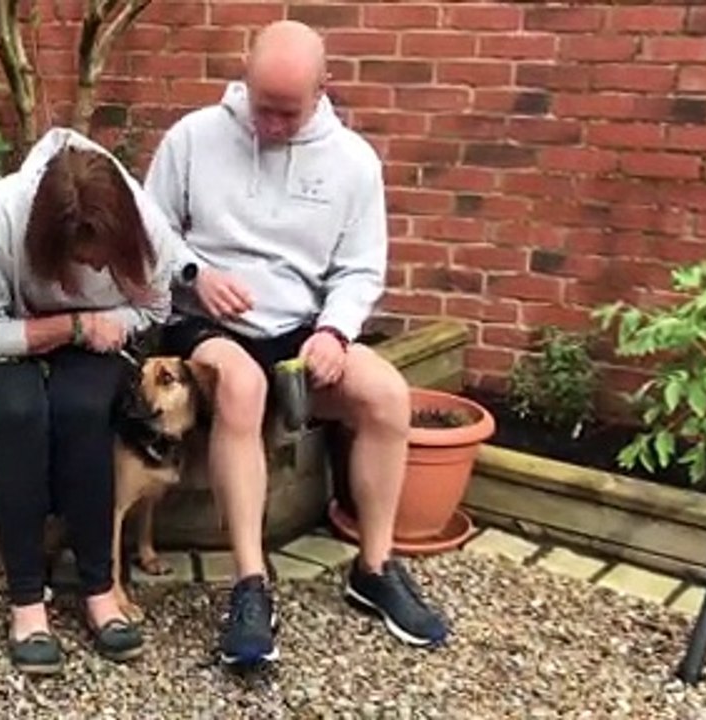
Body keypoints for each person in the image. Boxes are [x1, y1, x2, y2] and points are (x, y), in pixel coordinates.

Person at [144, 20, 450, 666]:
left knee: (388, 396)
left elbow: (362, 269)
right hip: (207, 327)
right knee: (243, 387)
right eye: (262, 108)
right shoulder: (193, 139)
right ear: (244, 74)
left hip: (301, 333)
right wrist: (197, 273)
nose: (273, 125)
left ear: (322, 89)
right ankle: (251, 585)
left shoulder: (353, 163)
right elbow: (150, 234)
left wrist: (336, 331)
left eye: (288, 111)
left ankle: (374, 568)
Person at [0, 127, 178, 675]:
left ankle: (99, 589)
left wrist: (105, 323)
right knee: (23, 415)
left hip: (97, 341)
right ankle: (27, 603)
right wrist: (69, 325)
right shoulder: (2, 214)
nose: (96, 270)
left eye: (105, 261)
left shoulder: (143, 224)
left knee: (79, 411)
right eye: (82, 258)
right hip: (2, 341)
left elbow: (156, 308)